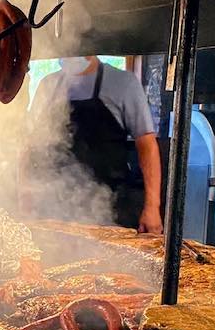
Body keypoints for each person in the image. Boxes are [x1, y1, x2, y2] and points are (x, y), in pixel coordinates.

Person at [32, 56, 163, 233]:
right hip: (56, 208)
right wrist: (27, 197)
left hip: (111, 209)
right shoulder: (48, 86)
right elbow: (32, 145)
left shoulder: (124, 83)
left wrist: (152, 207)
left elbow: (147, 146)